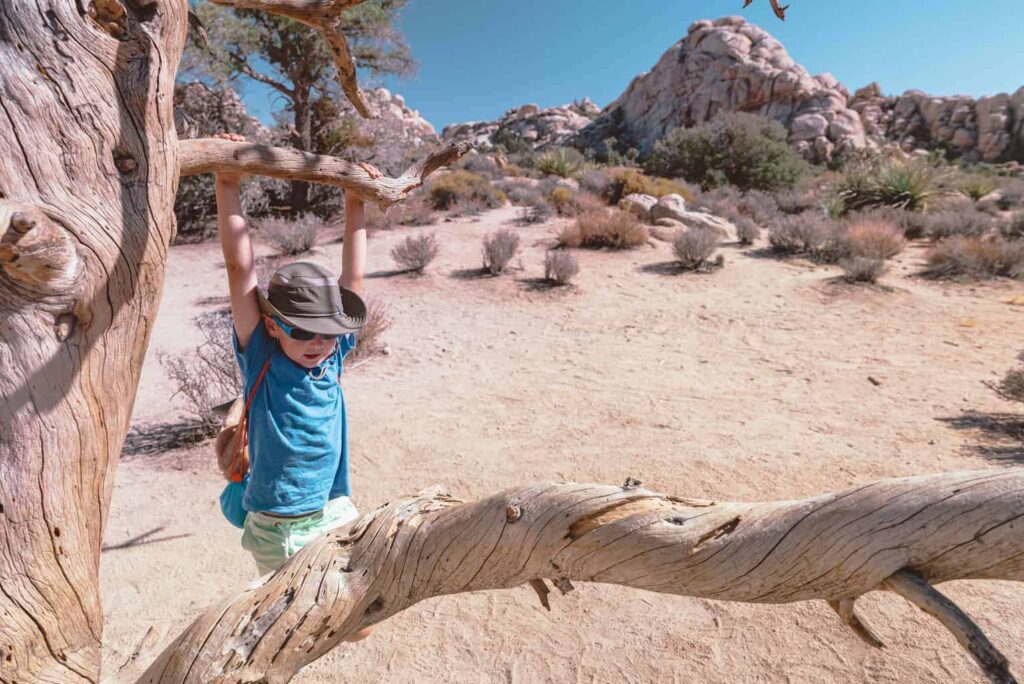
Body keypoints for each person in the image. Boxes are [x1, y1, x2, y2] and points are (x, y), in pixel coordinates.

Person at [212, 133, 380, 623]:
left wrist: (355, 203)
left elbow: (354, 280)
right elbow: (238, 267)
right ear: (271, 324)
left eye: (328, 331)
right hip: (278, 524)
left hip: (333, 508)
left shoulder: (333, 356)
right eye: (303, 330)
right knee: (286, 615)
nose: (318, 342)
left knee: (351, 608)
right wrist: (228, 183)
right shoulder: (262, 355)